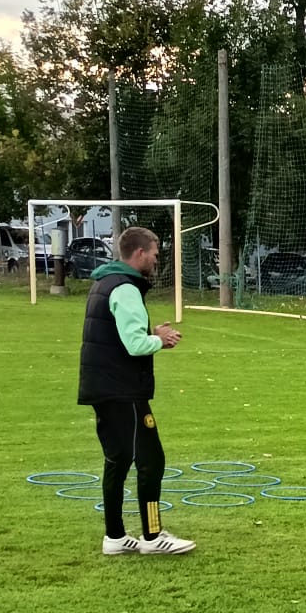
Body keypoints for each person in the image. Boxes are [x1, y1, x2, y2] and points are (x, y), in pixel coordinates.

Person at [77, 226, 194, 556]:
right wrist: (158, 339)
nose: (157, 260)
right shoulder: (125, 288)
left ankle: (115, 536)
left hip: (105, 386)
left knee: (117, 460)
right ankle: (153, 536)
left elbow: (118, 333)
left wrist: (150, 332)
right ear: (140, 253)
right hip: (122, 390)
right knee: (151, 461)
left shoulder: (105, 282)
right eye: (155, 254)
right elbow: (134, 345)